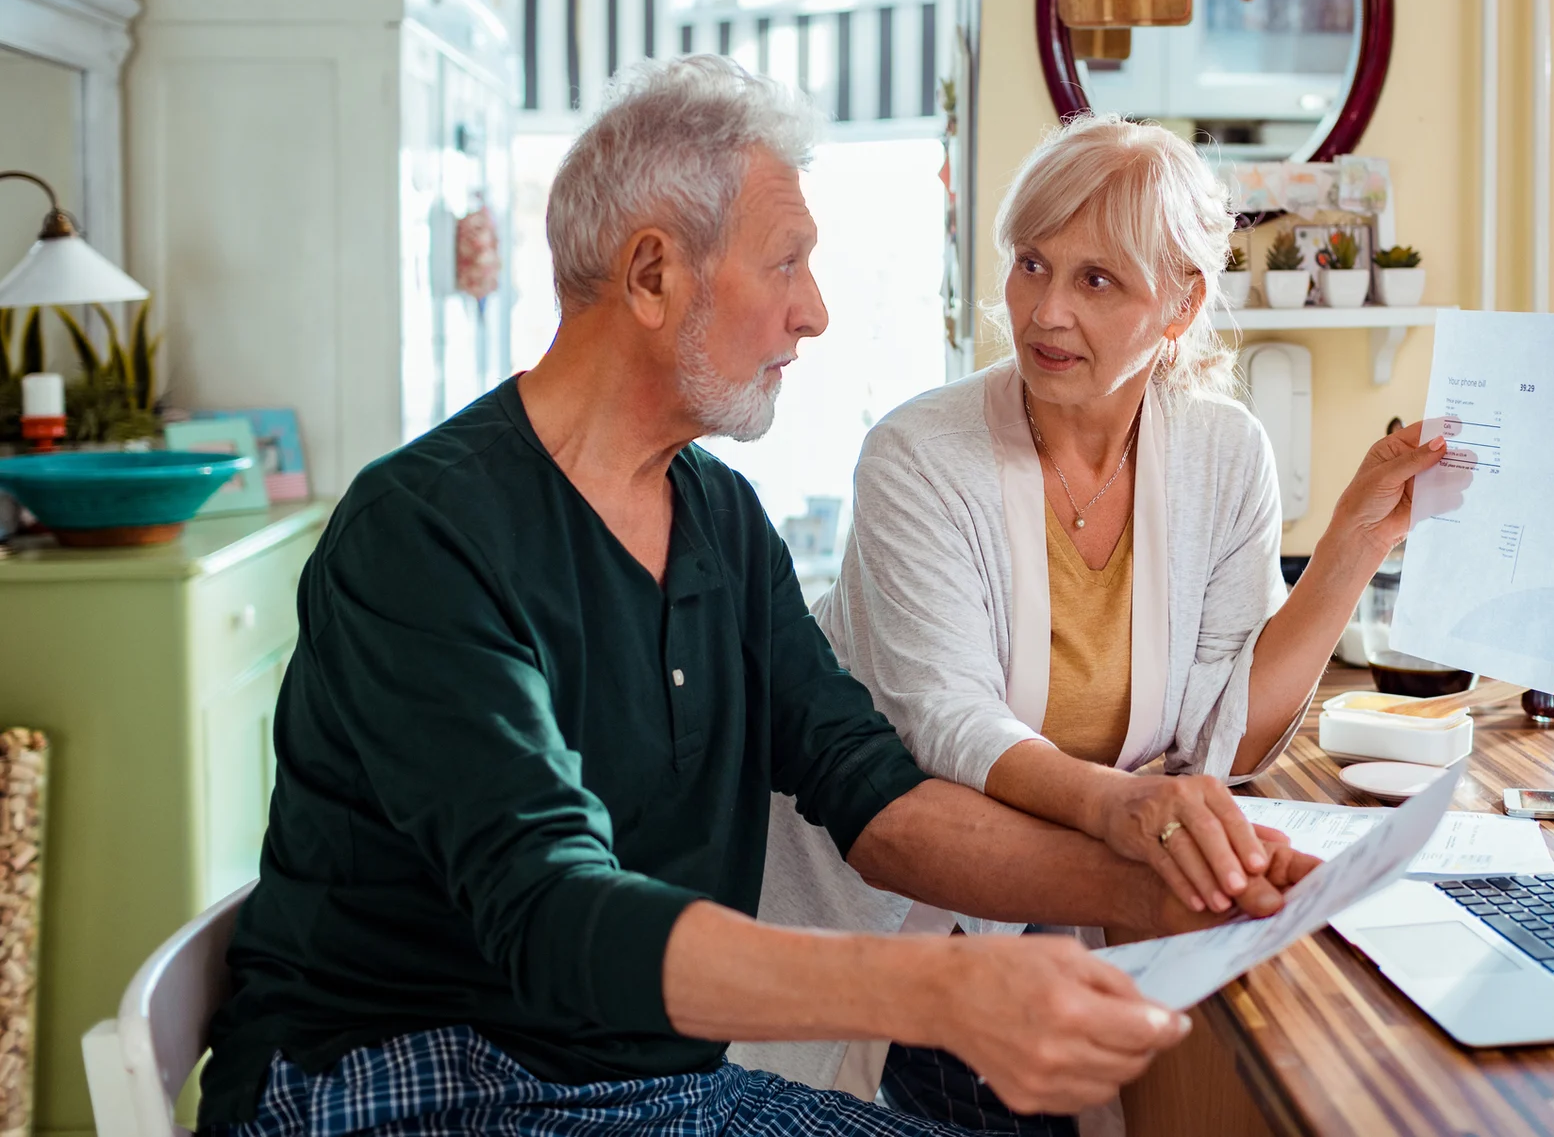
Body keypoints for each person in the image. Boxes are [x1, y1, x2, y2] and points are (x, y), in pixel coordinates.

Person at [196, 59, 1321, 1137]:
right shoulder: (424, 530)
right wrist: (938, 988)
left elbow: (875, 796)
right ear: (652, 276)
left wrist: (1164, 874)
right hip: (404, 1086)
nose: (814, 312)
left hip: (646, 1089)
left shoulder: (720, 519)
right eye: (786, 264)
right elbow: (549, 913)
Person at [748, 114, 1453, 1130]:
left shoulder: (1223, 454)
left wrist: (1354, 539)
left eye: (1097, 280)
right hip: (903, 921)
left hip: (1062, 911)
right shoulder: (917, 456)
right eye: (1031, 263)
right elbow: (949, 724)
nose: (1045, 311)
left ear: (1182, 302)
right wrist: (1123, 809)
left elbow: (1226, 732)